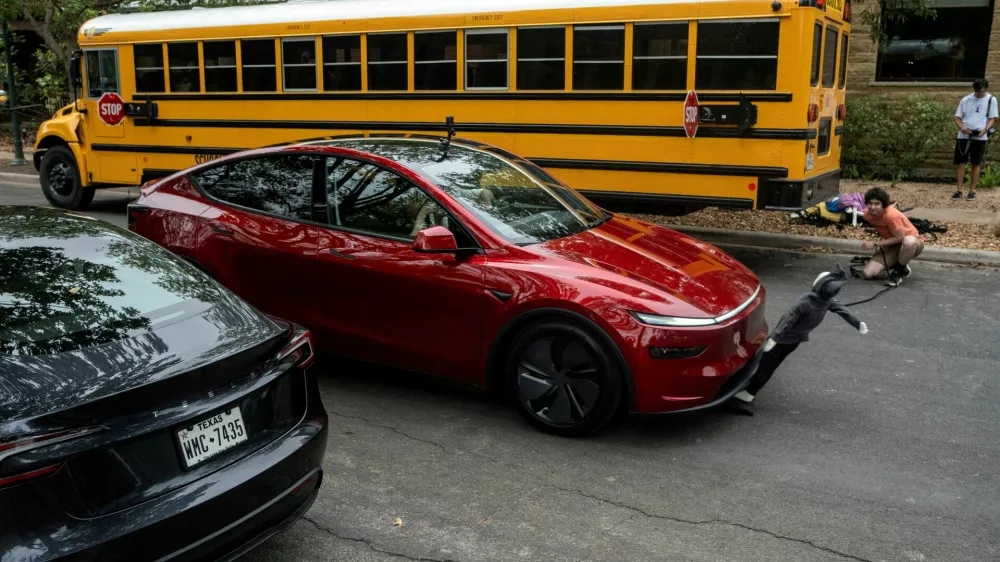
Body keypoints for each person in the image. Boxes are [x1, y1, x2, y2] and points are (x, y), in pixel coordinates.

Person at [731, 264, 868, 408]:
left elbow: (788, 319)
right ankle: (748, 388)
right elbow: (843, 311)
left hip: (783, 338)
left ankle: (749, 394)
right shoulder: (828, 301)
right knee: (772, 363)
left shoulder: (806, 300)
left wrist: (775, 338)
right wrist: (857, 323)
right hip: (794, 341)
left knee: (766, 365)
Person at [860, 187, 923, 286]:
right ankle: (899, 265)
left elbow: (900, 238)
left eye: (877, 204)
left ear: (884, 205)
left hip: (912, 243)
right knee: (868, 274)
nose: (872, 207)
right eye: (870, 203)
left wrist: (875, 244)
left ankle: (899, 269)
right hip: (893, 244)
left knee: (908, 241)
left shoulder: (891, 215)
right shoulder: (868, 215)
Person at [953, 78, 998, 200]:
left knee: (976, 162)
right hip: (964, 135)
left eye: (982, 92)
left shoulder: (991, 100)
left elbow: (992, 118)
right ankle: (959, 191)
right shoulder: (966, 100)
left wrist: (985, 130)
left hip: (980, 136)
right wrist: (963, 129)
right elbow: (957, 118)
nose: (979, 94)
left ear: (986, 89)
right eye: (978, 92)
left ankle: (972, 191)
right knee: (960, 163)